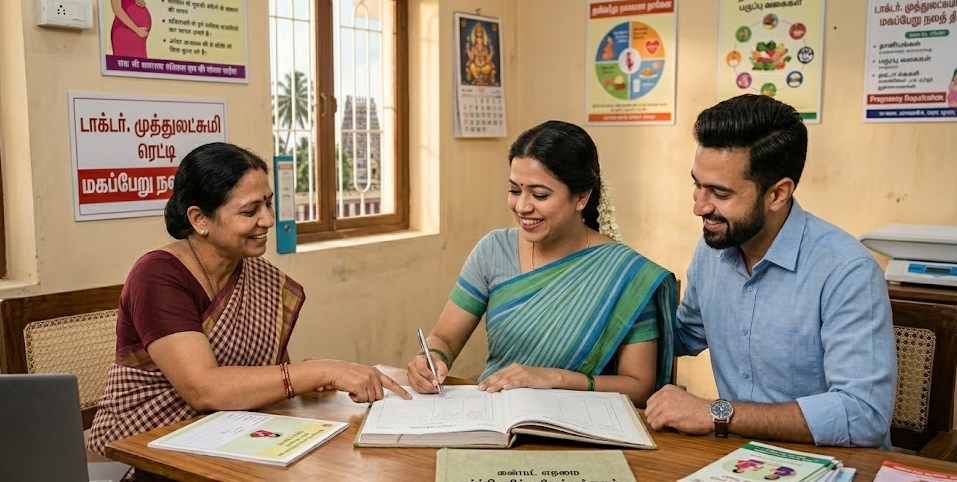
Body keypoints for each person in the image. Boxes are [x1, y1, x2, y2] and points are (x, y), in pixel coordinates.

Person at [89, 142, 410, 457]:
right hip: (142, 445)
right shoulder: (158, 276)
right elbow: (203, 389)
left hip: (233, 437)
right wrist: (322, 371)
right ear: (200, 219)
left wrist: (307, 378)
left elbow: (269, 374)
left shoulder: (259, 275)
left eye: (268, 204)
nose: (268, 220)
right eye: (249, 210)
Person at [644, 94, 896, 447]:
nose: (700, 206)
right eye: (697, 185)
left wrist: (716, 412)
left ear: (778, 194)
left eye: (719, 192)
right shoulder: (712, 250)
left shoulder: (847, 271)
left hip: (831, 464)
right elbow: (682, 335)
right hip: (735, 458)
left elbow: (863, 415)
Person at [407, 120, 677, 406]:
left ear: (581, 197)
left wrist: (555, 379)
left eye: (539, 195)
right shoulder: (493, 250)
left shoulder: (627, 276)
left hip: (580, 427)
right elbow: (445, 338)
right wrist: (431, 357)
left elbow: (639, 386)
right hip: (496, 418)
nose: (522, 206)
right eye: (514, 190)